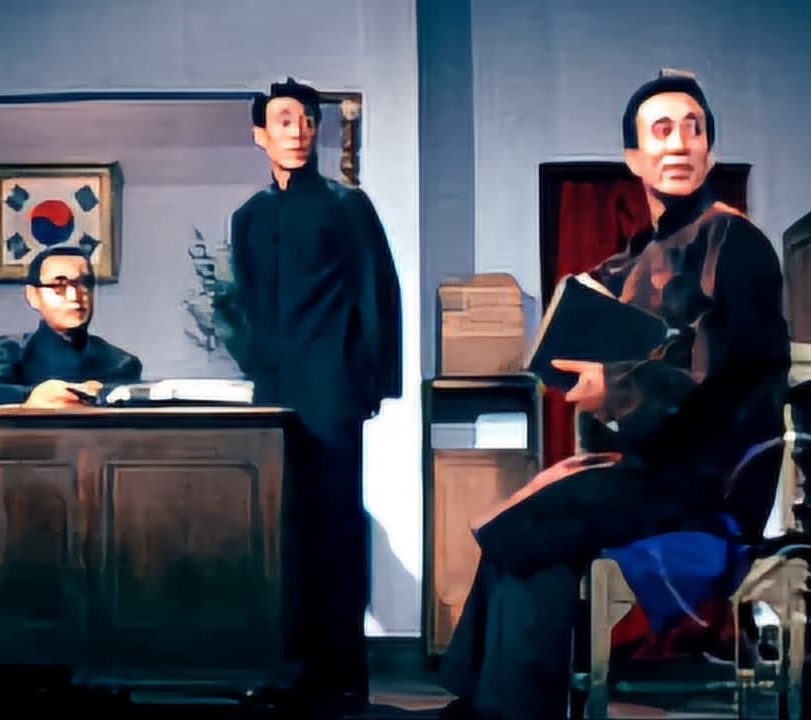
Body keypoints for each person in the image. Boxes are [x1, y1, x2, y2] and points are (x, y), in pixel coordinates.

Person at [438, 71, 790, 720]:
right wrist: (588, 381)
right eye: (662, 130)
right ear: (634, 157)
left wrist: (617, 387)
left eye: (693, 129)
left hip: (711, 481)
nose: (679, 143)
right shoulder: (637, 258)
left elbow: (712, 369)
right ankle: (483, 701)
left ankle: (500, 707)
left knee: (534, 524)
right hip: (651, 469)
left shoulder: (734, 241)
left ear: (709, 149)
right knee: (532, 525)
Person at [228, 77, 403, 707]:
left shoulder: (346, 205)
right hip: (272, 395)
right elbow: (244, 304)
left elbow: (378, 292)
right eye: (283, 121)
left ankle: (341, 678)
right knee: (279, 529)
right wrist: (254, 368)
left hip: (331, 387)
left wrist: (373, 382)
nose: (298, 131)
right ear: (260, 135)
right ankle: (284, 671)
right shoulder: (248, 217)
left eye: (306, 120)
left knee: (334, 527)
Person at [0, 246, 143, 409]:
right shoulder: (12, 350)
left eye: (84, 283)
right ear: (33, 295)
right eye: (59, 285)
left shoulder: (120, 362)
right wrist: (37, 397)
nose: (74, 296)